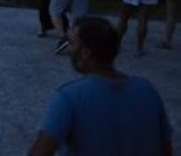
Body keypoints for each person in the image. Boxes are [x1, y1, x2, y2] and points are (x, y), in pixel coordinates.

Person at [28, 17, 173, 156]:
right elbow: (166, 149)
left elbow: (41, 152)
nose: (68, 50)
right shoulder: (147, 91)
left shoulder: (68, 97)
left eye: (71, 43)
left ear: (85, 53)